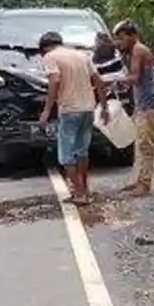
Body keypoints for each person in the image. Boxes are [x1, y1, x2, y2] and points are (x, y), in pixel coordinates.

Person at [39, 31, 109, 205]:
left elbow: (54, 80)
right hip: (88, 109)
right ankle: (83, 187)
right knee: (82, 151)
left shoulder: (51, 57)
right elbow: (99, 81)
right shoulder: (82, 55)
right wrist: (104, 107)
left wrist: (47, 110)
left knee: (66, 155)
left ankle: (79, 193)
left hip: (70, 110)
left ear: (45, 48)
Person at [111, 20, 154, 197]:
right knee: (140, 143)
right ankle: (141, 179)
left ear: (133, 36)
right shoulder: (131, 52)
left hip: (147, 104)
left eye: (122, 38)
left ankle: (145, 184)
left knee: (146, 145)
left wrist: (114, 81)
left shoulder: (139, 50)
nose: (120, 42)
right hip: (141, 102)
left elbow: (133, 77)